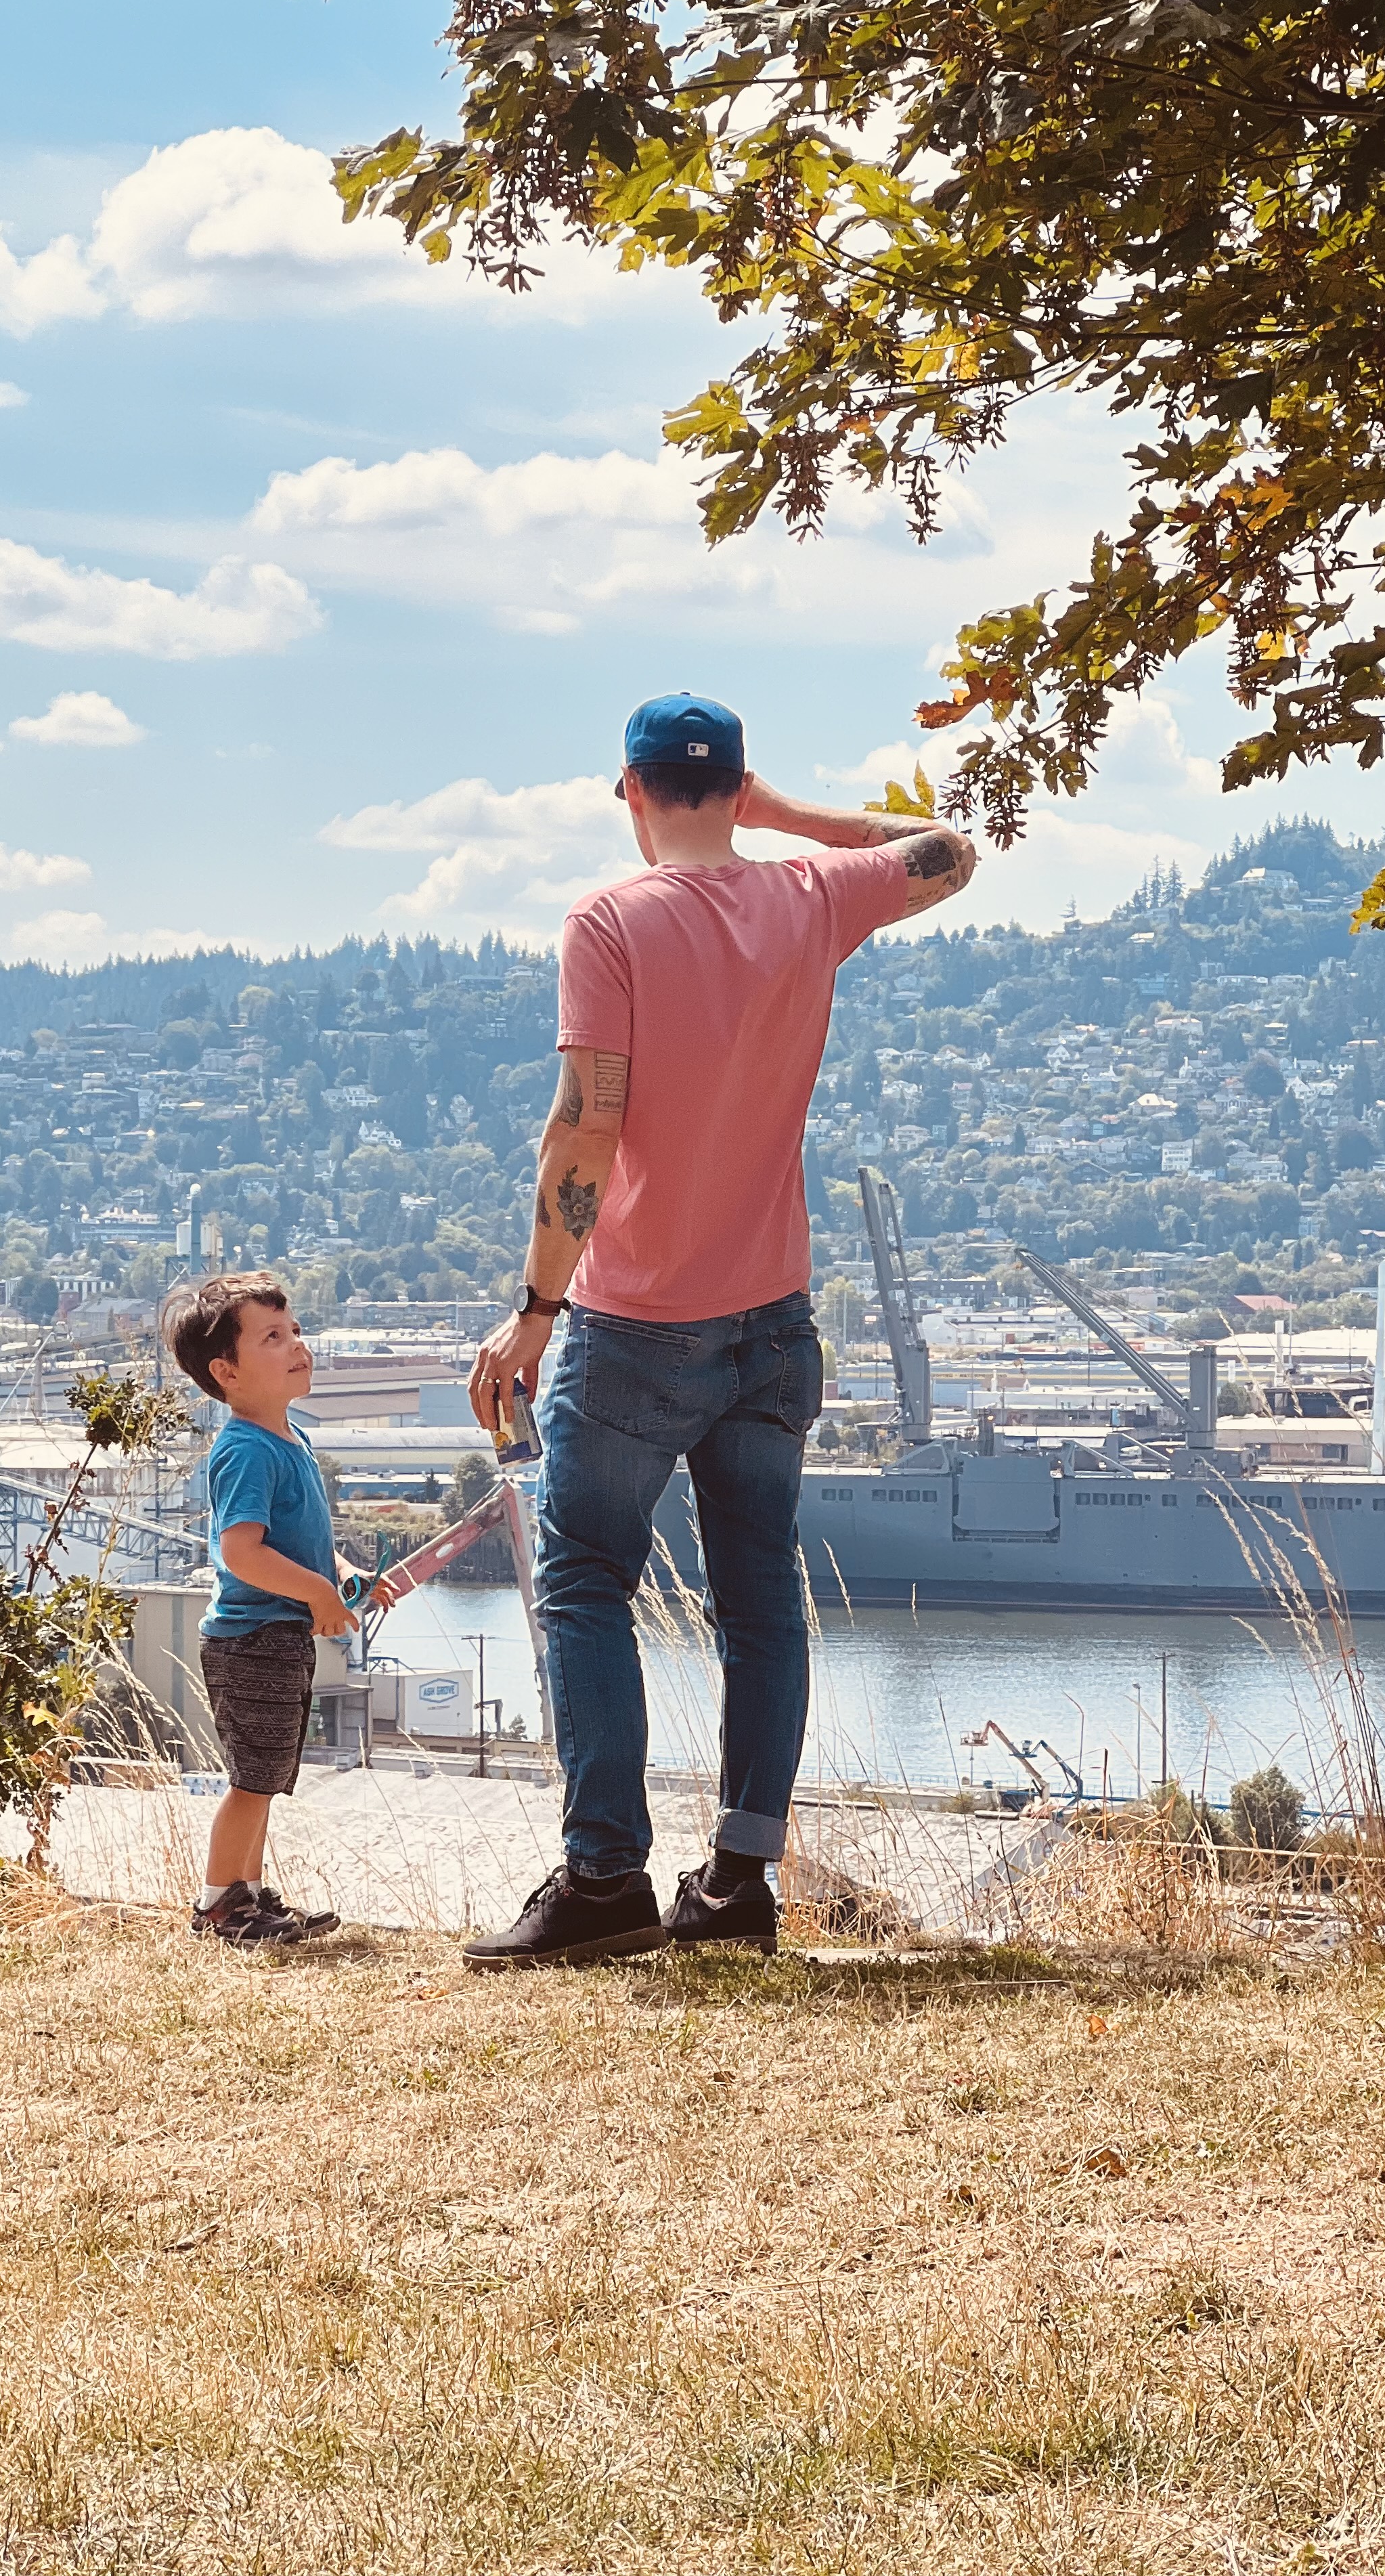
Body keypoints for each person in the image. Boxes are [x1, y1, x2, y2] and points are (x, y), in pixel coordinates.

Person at [464, 691, 975, 1969]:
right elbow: (948, 850)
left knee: (586, 1581)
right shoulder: (812, 898)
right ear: (738, 787)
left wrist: (535, 1309)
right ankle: (740, 1880)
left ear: (627, 790)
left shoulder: (609, 921)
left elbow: (587, 1124)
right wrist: (786, 815)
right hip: (770, 1320)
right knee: (758, 1595)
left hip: (635, 1323)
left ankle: (603, 1878)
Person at [164, 1271, 395, 1948]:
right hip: (251, 1640)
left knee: (266, 1779)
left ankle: (251, 1895)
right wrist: (317, 1593)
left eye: (295, 1330)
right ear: (226, 1372)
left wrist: (345, 1579)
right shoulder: (244, 1450)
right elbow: (242, 1553)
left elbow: (305, 1545)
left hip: (278, 1636)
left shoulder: (289, 1439)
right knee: (251, 1783)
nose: (298, 1344)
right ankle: (219, 1906)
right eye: (272, 1337)